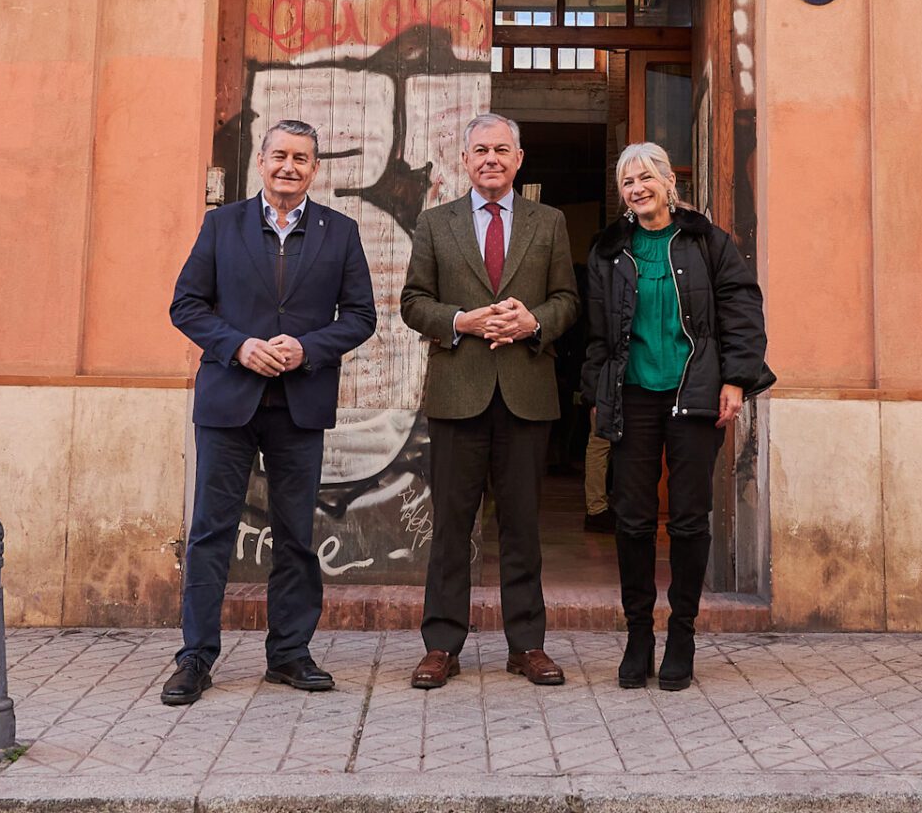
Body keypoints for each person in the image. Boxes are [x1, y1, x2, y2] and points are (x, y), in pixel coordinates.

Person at [163, 119, 377, 706]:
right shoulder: (221, 224)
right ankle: (196, 657)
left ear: (315, 168)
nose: (290, 166)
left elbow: (361, 315)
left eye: (302, 158)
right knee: (211, 531)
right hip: (229, 400)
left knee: (295, 535)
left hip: (299, 404)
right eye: (279, 155)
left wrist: (308, 348)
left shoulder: (340, 232)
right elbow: (186, 305)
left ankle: (288, 654)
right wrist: (238, 345)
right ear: (261, 161)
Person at [582, 142, 773, 692]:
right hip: (634, 394)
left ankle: (682, 634)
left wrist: (736, 379)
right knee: (633, 519)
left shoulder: (708, 243)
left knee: (689, 519)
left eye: (646, 177)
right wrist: (598, 392)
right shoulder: (609, 249)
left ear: (669, 182)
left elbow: (741, 308)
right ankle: (638, 635)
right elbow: (598, 334)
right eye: (627, 181)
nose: (637, 188)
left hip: (695, 393)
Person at [400, 113, 580, 689]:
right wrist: (460, 320)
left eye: (502, 150)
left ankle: (527, 644)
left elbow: (568, 301)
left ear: (519, 158)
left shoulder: (548, 223)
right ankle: (441, 646)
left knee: (524, 527)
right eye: (480, 150)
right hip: (458, 396)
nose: (491, 160)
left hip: (527, 394)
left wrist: (534, 323)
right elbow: (412, 302)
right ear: (465, 159)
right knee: (451, 527)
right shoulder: (435, 223)